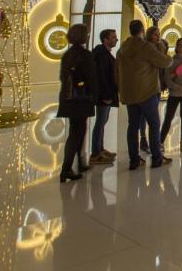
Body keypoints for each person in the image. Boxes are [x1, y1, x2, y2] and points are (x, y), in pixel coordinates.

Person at [116, 20, 171, 169]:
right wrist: (162, 48)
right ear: (143, 31)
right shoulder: (145, 47)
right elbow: (166, 62)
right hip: (147, 92)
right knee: (154, 124)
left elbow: (117, 71)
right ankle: (156, 158)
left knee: (132, 126)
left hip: (130, 93)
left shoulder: (123, 48)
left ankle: (134, 159)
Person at [58, 23, 99, 182]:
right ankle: (66, 168)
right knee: (77, 133)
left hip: (69, 99)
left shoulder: (68, 54)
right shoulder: (85, 55)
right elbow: (91, 79)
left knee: (76, 131)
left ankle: (78, 163)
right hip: (81, 99)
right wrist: (94, 96)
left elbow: (63, 78)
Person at [89, 29, 118, 165]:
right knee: (100, 122)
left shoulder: (104, 53)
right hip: (103, 94)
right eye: (113, 37)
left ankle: (99, 149)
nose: (116, 40)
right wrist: (106, 95)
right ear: (105, 40)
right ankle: (95, 153)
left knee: (103, 121)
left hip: (106, 93)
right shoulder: (101, 54)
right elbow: (102, 76)